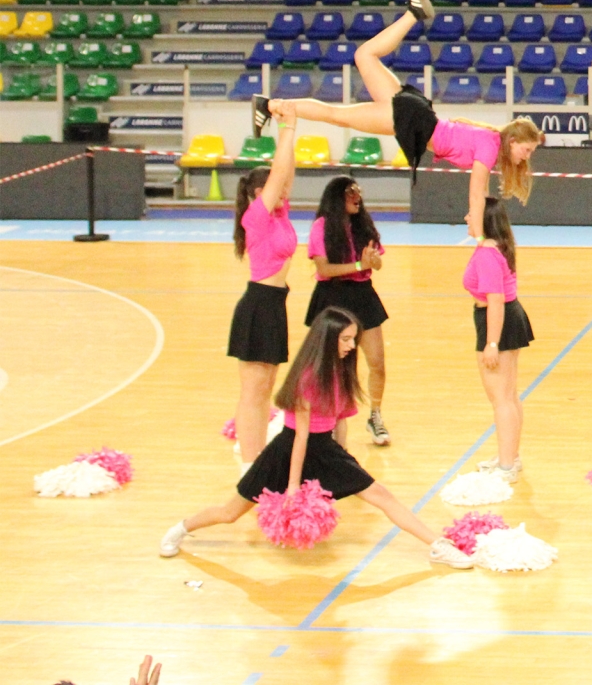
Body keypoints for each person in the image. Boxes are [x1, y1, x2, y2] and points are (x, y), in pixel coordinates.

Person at [160, 306, 472, 568]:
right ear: (327, 340)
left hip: (327, 449)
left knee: (382, 496)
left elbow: (341, 422)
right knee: (230, 513)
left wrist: (345, 458)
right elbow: (299, 439)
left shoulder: (342, 371)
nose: (352, 345)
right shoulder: (309, 378)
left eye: (353, 338)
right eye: (346, 339)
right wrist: (293, 486)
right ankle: (180, 529)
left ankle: (437, 545)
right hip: (288, 451)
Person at [266, 0, 543, 235]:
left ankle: (270, 105)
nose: (525, 156)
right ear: (514, 140)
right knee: (337, 114)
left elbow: (480, 190)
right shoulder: (491, 145)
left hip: (417, 112)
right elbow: (477, 188)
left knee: (364, 56)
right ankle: (273, 106)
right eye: (526, 150)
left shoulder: (491, 140)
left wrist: (477, 217)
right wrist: (477, 227)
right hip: (413, 119)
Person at [227, 112, 299, 465]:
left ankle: (254, 455)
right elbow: (282, 170)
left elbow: (289, 168)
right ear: (260, 192)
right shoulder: (255, 216)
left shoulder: (280, 215)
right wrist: (287, 128)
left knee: (267, 386)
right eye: (278, 185)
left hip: (275, 305)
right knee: (254, 391)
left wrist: (293, 122)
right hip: (258, 305)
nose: (286, 189)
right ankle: (250, 464)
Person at [306, 176, 392, 446]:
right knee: (333, 365)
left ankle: (375, 415)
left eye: (358, 192)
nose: (358, 197)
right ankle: (330, 420)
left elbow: (374, 264)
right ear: (337, 198)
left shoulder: (363, 225)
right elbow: (324, 270)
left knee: (377, 362)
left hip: (363, 295)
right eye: (351, 193)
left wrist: (372, 262)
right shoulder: (321, 227)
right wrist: (358, 265)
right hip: (332, 296)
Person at [466, 197, 533, 483]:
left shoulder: (486, 255)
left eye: (471, 214)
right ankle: (510, 456)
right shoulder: (495, 248)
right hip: (506, 318)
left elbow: (495, 300)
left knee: (501, 398)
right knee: (508, 394)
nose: (466, 217)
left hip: (499, 322)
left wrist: (491, 344)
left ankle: (507, 466)